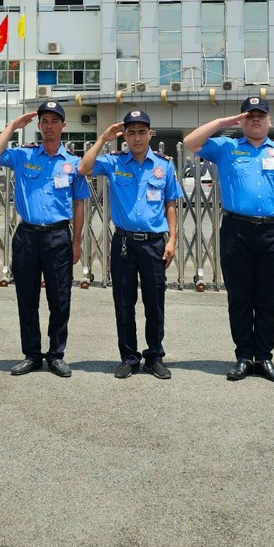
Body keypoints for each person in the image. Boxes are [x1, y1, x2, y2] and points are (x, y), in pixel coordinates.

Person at [184, 97, 274, 383]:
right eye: (249, 116)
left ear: (269, 121)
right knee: (239, 296)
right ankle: (243, 356)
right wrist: (223, 123)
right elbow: (190, 142)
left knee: (269, 298)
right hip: (236, 231)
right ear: (242, 120)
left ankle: (263, 357)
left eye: (260, 116)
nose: (255, 120)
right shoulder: (227, 148)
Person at [0, 100, 91, 378]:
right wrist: (12, 126)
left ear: (63, 126)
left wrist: (77, 241)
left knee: (60, 299)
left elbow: (79, 204)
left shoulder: (73, 164)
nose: (49, 127)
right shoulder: (24, 156)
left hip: (58, 236)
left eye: (55, 121)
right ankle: (31, 354)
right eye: (44, 121)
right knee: (26, 297)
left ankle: (56, 354)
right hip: (27, 236)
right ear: (39, 126)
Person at [78, 110, 182, 380]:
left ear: (150, 134)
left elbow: (171, 204)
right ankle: (128, 357)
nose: (137, 138)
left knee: (154, 303)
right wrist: (103, 138)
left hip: (154, 244)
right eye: (131, 132)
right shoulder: (114, 162)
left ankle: (155, 356)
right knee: (124, 302)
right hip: (124, 242)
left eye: (142, 132)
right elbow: (83, 168)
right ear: (125, 136)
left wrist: (171, 239)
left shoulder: (164, 165)